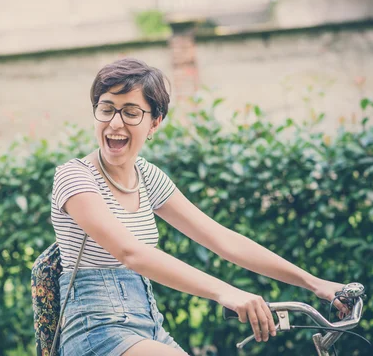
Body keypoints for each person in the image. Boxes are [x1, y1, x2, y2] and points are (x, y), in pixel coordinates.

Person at [50, 57, 349, 355]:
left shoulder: (148, 177)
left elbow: (222, 240)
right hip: (96, 330)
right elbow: (131, 253)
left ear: (154, 123)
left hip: (148, 324)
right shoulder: (75, 177)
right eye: (106, 109)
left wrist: (314, 284)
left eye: (130, 112)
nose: (115, 123)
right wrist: (226, 292)